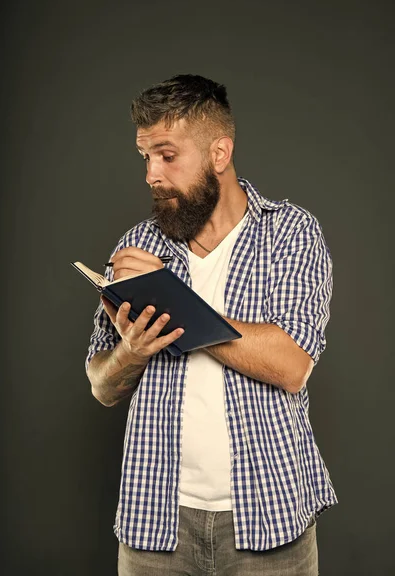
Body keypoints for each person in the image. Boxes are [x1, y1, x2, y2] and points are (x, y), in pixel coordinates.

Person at [86, 74, 338, 576]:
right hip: (155, 523)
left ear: (219, 153)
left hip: (271, 518)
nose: (151, 175)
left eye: (167, 155)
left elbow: (291, 365)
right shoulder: (141, 245)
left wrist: (173, 300)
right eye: (146, 158)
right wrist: (132, 351)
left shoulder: (290, 234)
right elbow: (100, 384)